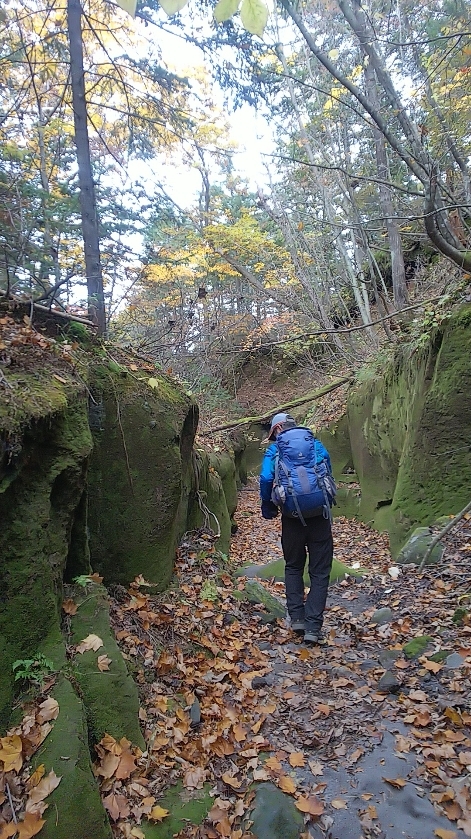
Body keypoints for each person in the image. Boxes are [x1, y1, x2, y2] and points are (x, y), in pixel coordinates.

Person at [259, 412, 334, 644]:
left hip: (291, 517)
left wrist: (268, 508)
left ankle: (298, 619)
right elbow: (328, 471)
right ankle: (313, 627)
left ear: (278, 429)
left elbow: (265, 478)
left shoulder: (275, 451)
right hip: (319, 516)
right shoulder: (315, 444)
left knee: (293, 566)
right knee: (320, 572)